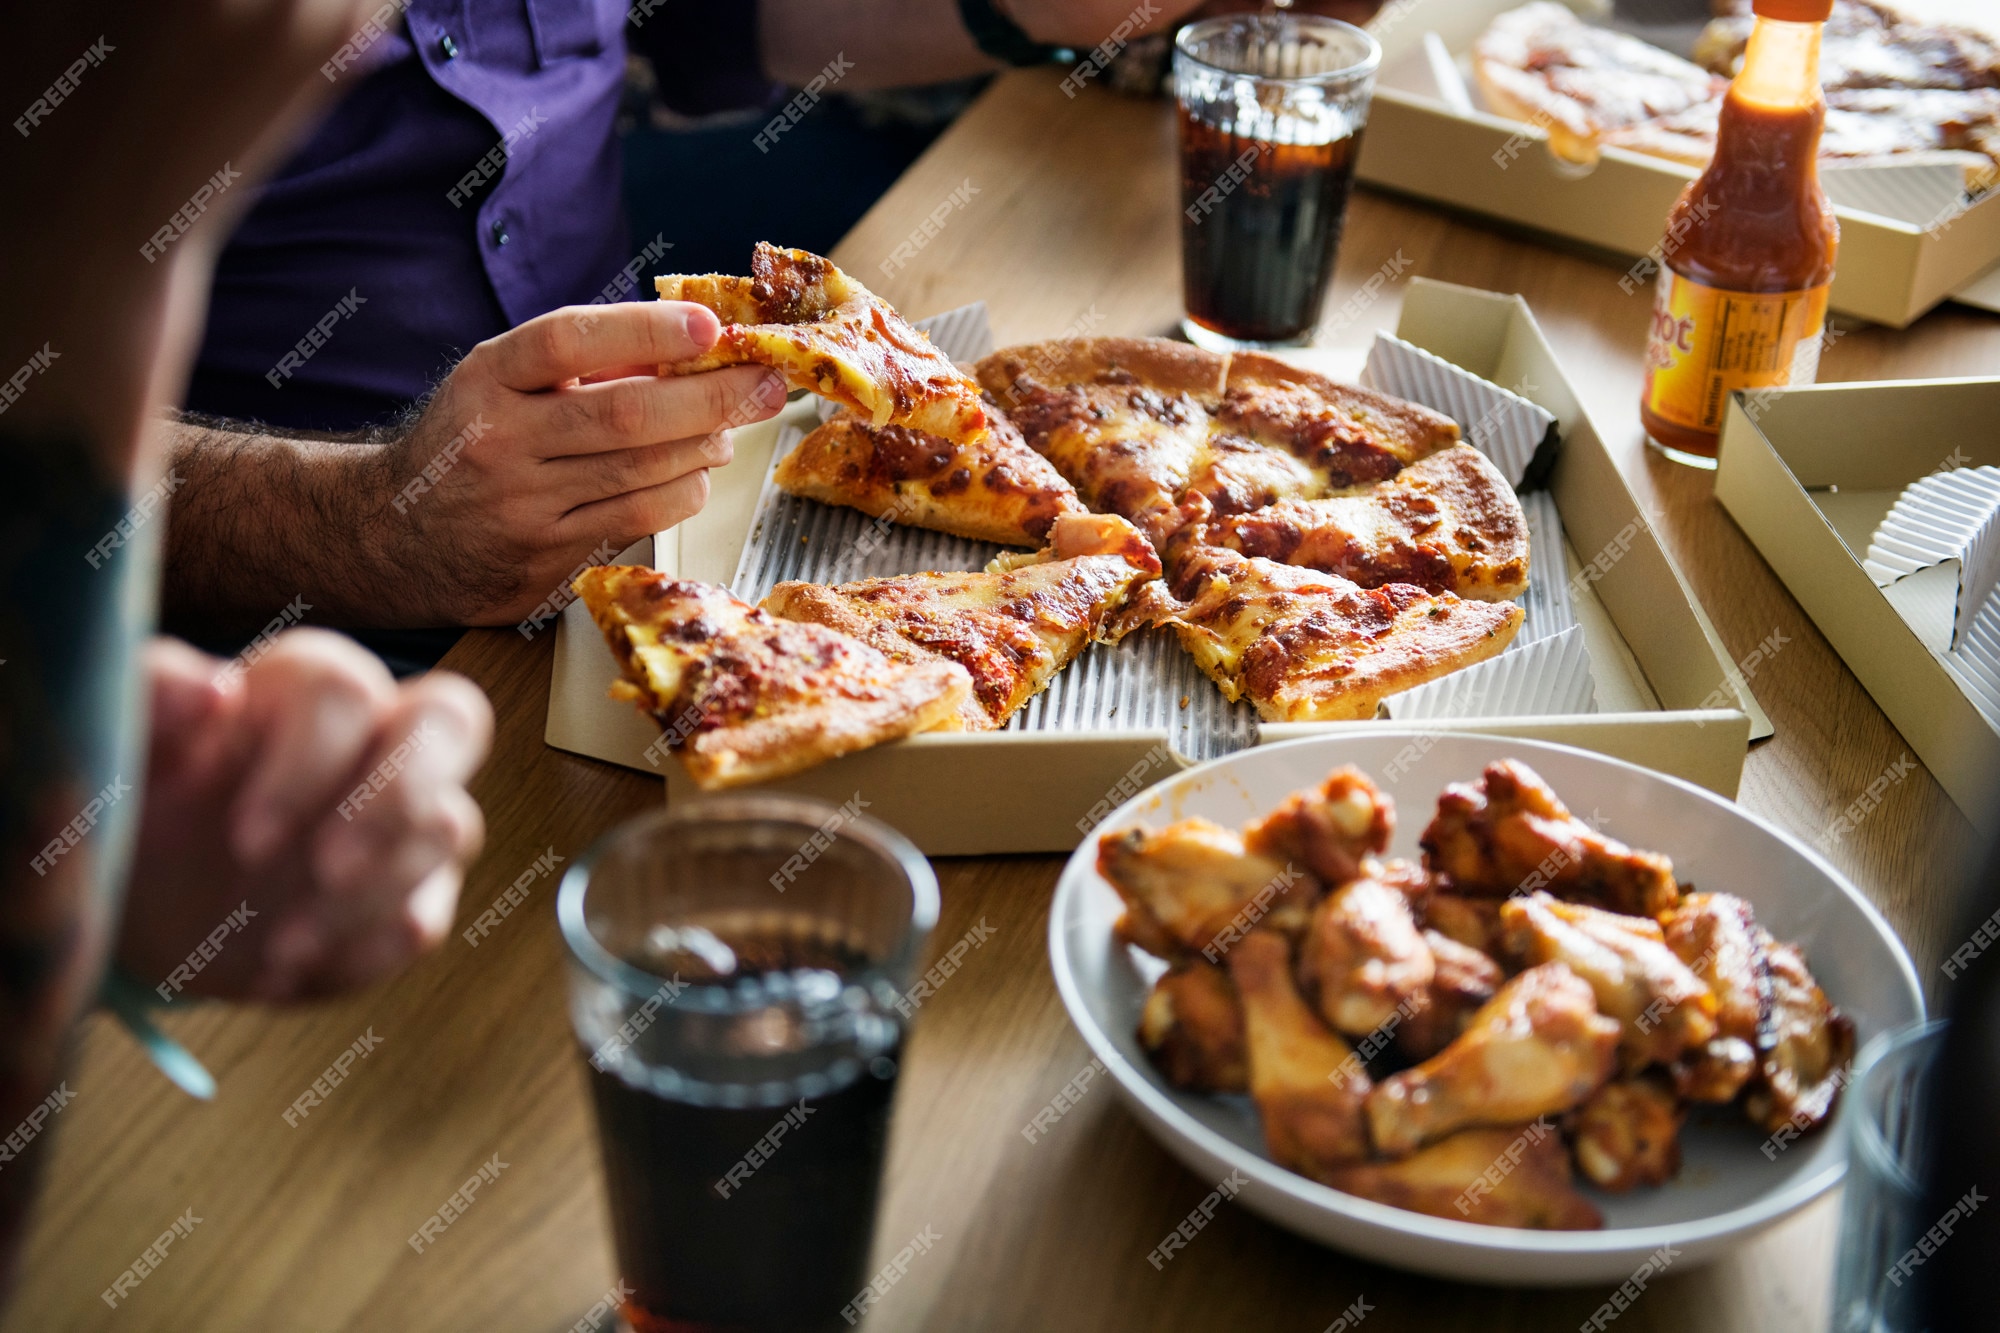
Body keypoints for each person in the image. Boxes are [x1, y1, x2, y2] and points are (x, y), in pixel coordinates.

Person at [156, 0, 1208, 666]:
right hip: (257, 655)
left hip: (686, 533)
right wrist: (373, 519)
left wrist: (1014, 8)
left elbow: (718, 18)